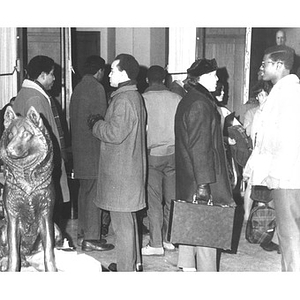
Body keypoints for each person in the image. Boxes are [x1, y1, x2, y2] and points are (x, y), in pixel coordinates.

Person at [174, 58, 235, 271]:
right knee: (207, 235)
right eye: (214, 75)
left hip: (190, 178)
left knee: (190, 228)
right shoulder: (201, 103)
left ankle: (188, 269)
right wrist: (203, 185)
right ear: (202, 78)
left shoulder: (191, 99)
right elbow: (200, 147)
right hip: (202, 179)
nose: (218, 79)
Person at [88, 53, 147, 271]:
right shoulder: (132, 96)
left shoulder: (123, 100)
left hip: (121, 174)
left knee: (122, 225)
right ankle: (132, 263)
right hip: (128, 170)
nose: (109, 74)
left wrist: (96, 125)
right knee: (128, 222)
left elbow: (114, 133)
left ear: (123, 73)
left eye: (113, 70)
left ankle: (125, 270)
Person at [245, 45, 300, 271]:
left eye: (265, 63)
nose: (262, 67)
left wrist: (275, 174)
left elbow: (288, 138)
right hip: (284, 175)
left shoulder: (289, 93)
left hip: (286, 177)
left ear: (279, 65)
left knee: (290, 236)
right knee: (287, 235)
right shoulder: (281, 91)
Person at [13, 55, 70, 227]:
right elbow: (40, 139)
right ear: (42, 75)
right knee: (47, 211)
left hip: (33, 168)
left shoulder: (29, 94)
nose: (54, 78)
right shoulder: (35, 98)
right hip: (41, 168)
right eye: (52, 74)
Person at [69, 55, 114, 252]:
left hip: (79, 151)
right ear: (100, 71)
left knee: (84, 193)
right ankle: (92, 238)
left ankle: (82, 232)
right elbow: (101, 121)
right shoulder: (97, 88)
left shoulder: (78, 88)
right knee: (95, 196)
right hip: (94, 151)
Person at [141, 65, 182, 256]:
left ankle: (155, 243)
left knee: (154, 200)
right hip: (173, 154)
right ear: (165, 80)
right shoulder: (176, 98)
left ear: (148, 80)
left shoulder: (143, 99)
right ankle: (169, 239)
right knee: (172, 199)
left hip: (153, 156)